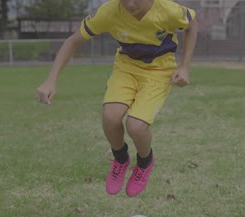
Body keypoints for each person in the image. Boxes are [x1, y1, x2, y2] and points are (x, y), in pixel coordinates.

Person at [36, 0, 197, 197]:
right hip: (126, 68)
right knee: (110, 117)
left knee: (136, 126)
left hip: (158, 71)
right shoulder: (109, 12)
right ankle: (120, 159)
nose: (130, 4)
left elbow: (191, 24)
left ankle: (145, 163)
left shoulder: (168, 10)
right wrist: (51, 80)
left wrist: (185, 66)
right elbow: (73, 41)